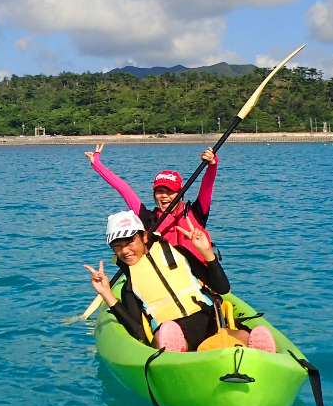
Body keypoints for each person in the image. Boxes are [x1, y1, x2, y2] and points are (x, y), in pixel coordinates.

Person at [84, 209, 276, 353]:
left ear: (143, 237)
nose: (125, 251)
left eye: (130, 243)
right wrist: (107, 294)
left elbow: (222, 288)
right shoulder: (129, 285)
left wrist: (206, 252)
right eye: (117, 246)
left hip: (209, 322)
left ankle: (256, 349)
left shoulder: (179, 254)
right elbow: (137, 331)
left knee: (239, 336)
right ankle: (179, 353)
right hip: (174, 331)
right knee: (167, 336)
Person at [87, 143, 219, 260]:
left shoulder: (196, 211)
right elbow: (124, 189)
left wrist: (212, 164)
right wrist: (97, 164)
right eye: (159, 191)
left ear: (181, 194)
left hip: (198, 278)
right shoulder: (147, 218)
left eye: (170, 191)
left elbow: (208, 185)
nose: (164, 196)